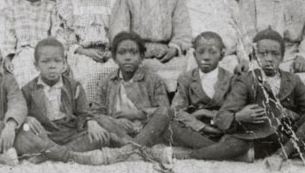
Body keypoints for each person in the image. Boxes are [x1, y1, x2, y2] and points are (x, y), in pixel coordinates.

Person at [201, 29, 305, 167]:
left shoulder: (292, 80)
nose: (269, 59)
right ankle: (292, 152)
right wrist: (239, 116)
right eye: (263, 53)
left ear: (282, 57)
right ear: (255, 56)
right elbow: (222, 116)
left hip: (288, 135)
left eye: (275, 54)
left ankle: (280, 155)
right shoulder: (246, 80)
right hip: (262, 135)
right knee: (236, 144)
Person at [21, 38, 145, 166]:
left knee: (100, 136)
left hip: (71, 134)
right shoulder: (28, 89)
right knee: (24, 136)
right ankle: (67, 155)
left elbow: (84, 112)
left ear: (64, 64)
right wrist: (27, 118)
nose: (52, 66)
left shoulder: (74, 86)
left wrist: (90, 122)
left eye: (57, 61)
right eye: (45, 61)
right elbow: (19, 111)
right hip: (46, 135)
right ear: (36, 65)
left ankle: (51, 154)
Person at [109, 0, 191, 91]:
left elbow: (183, 32)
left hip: (166, 55)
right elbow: (118, 32)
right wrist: (138, 51)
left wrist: (173, 49)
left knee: (187, 69)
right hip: (136, 55)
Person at [89, 31, 174, 162]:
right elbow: (96, 112)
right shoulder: (107, 81)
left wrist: (136, 114)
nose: (128, 57)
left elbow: (163, 111)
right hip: (118, 132)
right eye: (122, 53)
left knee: (165, 112)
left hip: (145, 130)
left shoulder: (153, 79)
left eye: (133, 53)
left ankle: (124, 152)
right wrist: (116, 122)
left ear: (141, 56)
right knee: (98, 119)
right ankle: (146, 152)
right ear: (114, 57)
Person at [55, 0, 119, 101]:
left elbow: (120, 32)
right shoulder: (71, 4)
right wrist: (84, 51)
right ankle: (87, 111)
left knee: (115, 72)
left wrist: (112, 51)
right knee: (87, 74)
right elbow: (65, 35)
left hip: (108, 54)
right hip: (82, 54)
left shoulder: (114, 3)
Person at [169, 32, 234, 154]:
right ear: (194, 54)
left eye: (213, 52)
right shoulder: (186, 78)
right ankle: (220, 150)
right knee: (171, 123)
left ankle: (209, 150)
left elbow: (234, 110)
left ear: (222, 55)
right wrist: (203, 127)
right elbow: (176, 111)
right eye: (201, 52)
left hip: (222, 128)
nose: (206, 57)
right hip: (195, 129)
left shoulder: (230, 79)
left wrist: (204, 112)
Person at [0, 0, 58, 87]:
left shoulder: (51, 8)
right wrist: (8, 58)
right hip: (23, 53)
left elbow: (56, 33)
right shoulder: (12, 9)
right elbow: (6, 36)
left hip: (46, 53)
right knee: (23, 74)